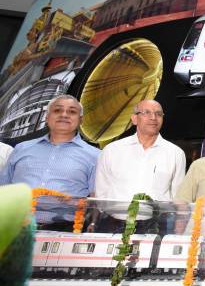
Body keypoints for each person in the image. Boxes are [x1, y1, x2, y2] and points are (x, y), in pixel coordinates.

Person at [0, 95, 100, 230]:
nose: (64, 115)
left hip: (64, 230)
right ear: (47, 117)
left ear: (80, 120)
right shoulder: (21, 148)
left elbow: (96, 200)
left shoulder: (95, 155)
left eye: (72, 111)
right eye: (57, 110)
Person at [92, 100, 186, 233]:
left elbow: (179, 198)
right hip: (113, 224)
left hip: (155, 226)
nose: (153, 118)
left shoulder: (175, 153)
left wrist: (178, 233)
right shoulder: (112, 150)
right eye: (146, 113)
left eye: (158, 114)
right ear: (134, 119)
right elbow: (101, 193)